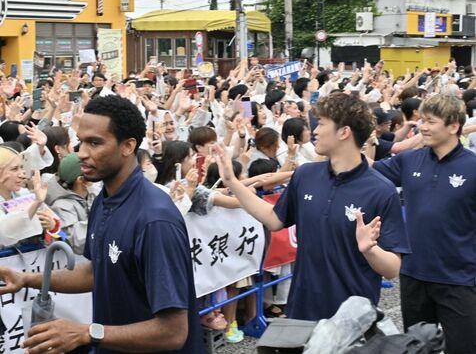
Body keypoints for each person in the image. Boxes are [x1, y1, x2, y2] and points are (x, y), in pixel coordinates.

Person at [0, 95, 204, 354]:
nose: (82, 153)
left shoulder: (155, 220)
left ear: (128, 146)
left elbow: (173, 332)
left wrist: (87, 333)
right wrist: (26, 279)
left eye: (95, 143)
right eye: (81, 141)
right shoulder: (105, 200)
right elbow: (96, 272)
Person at [213, 91, 411, 321]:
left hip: (354, 318)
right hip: (301, 308)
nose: (315, 131)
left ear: (344, 132)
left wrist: (370, 249)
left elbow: (392, 268)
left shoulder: (381, 190)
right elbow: (273, 219)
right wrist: (232, 182)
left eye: (321, 124)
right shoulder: (306, 175)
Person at [373, 94, 476, 354]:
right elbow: (367, 171)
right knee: (417, 349)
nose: (423, 127)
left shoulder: (473, 166)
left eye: (431, 121)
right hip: (414, 275)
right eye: (422, 121)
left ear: (453, 126)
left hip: (461, 279)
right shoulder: (409, 160)